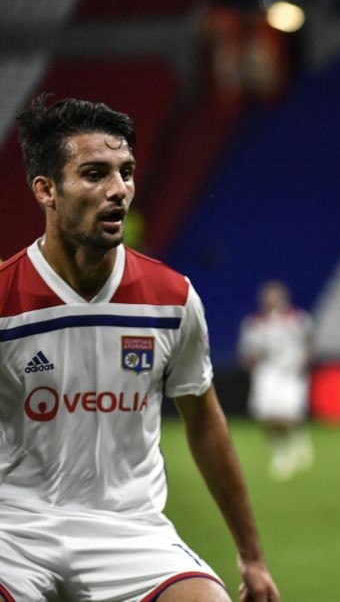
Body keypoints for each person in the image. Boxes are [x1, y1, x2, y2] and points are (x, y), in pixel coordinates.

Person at [0, 96, 279, 601]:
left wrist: (252, 556)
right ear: (46, 190)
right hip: (13, 530)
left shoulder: (172, 299)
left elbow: (204, 422)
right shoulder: (4, 299)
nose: (118, 191)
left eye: (125, 172)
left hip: (129, 530)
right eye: (93, 174)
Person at [238, 280, 315, 480]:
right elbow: (248, 350)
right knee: (266, 415)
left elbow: (309, 341)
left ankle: (292, 448)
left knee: (288, 414)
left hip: (290, 371)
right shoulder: (254, 322)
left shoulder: (297, 319)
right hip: (267, 372)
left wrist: (304, 361)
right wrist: (252, 366)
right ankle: (281, 451)